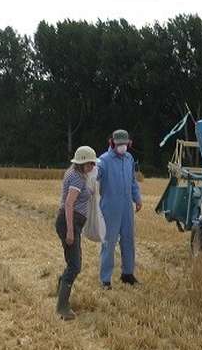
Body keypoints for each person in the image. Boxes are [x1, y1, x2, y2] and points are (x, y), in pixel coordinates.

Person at [55, 146, 98, 320]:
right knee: (75, 266)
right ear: (82, 163)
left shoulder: (75, 173)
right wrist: (71, 231)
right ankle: (62, 308)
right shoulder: (77, 179)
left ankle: (60, 288)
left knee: (73, 261)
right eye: (90, 163)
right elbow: (69, 204)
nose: (92, 166)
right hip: (69, 224)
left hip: (69, 223)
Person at [97, 129, 142, 289]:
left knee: (128, 240)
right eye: (119, 144)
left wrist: (137, 198)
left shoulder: (129, 158)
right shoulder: (103, 160)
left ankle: (127, 274)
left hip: (126, 208)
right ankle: (105, 279)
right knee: (109, 243)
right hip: (110, 207)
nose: (122, 147)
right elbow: (95, 175)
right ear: (112, 143)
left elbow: (132, 181)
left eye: (125, 144)